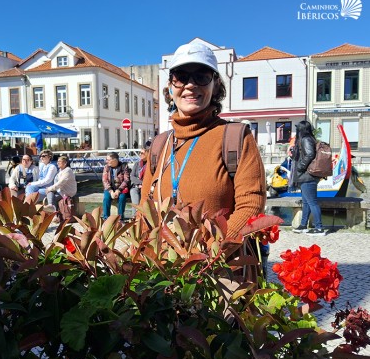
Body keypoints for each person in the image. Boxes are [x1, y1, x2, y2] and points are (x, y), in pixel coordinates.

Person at [140, 42, 266, 240]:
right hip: (165, 267)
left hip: (216, 266)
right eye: (181, 77)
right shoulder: (160, 144)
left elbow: (251, 203)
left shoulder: (235, 137)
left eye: (201, 76)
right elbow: (144, 209)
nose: (191, 85)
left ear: (215, 85)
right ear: (170, 87)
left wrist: (213, 254)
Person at [291, 120, 326, 236]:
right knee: (306, 203)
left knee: (312, 202)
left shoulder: (306, 139)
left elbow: (310, 154)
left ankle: (319, 227)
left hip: (307, 175)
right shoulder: (310, 139)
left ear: (302, 129)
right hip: (306, 176)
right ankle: (303, 225)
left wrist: (300, 167)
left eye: (298, 128)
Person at [45, 156, 77, 222]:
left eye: (59, 162)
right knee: (50, 192)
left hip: (67, 192)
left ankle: (54, 214)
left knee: (52, 195)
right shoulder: (60, 171)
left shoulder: (68, 171)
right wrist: (50, 189)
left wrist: (50, 188)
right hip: (60, 190)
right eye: (57, 161)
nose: (57, 163)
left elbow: (61, 183)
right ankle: (51, 207)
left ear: (65, 163)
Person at [102, 152, 131, 221]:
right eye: (106, 159)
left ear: (115, 160)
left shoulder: (124, 166)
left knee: (122, 198)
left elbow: (126, 180)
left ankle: (120, 218)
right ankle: (106, 218)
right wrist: (111, 191)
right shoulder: (106, 167)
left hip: (121, 189)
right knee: (106, 198)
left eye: (108, 160)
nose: (107, 161)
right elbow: (104, 180)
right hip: (110, 189)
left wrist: (119, 190)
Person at [130, 147, 148, 217]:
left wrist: (144, 185)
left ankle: (145, 218)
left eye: (142, 153)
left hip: (147, 187)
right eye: (139, 153)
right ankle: (135, 216)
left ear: (148, 153)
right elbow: (132, 177)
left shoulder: (150, 165)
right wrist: (141, 183)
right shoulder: (137, 164)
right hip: (136, 186)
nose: (140, 154)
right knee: (134, 193)